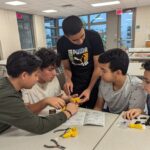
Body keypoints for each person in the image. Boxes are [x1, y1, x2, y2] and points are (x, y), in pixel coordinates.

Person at [0, 51, 78, 134]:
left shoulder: (6, 84)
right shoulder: (7, 96)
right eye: (36, 75)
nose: (37, 79)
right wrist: (68, 112)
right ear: (24, 75)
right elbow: (39, 126)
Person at [57, 15, 104, 108]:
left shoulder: (94, 37)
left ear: (83, 28)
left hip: (94, 81)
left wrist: (89, 89)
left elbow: (98, 67)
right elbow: (66, 67)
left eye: (82, 36)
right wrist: (68, 80)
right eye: (75, 40)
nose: (80, 41)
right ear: (66, 36)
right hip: (76, 83)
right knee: (76, 110)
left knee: (93, 110)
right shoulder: (62, 43)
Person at [94, 48, 146, 114]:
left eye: (103, 70)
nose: (99, 73)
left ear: (118, 72)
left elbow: (131, 116)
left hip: (125, 119)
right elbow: (98, 107)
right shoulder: (104, 81)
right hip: (110, 115)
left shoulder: (136, 87)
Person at [22, 48, 69, 112]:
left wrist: (70, 99)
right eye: (50, 69)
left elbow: (58, 96)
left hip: (53, 115)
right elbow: (26, 110)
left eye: (55, 69)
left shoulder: (53, 79)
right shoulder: (27, 83)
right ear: (38, 69)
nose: (55, 73)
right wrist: (45, 101)